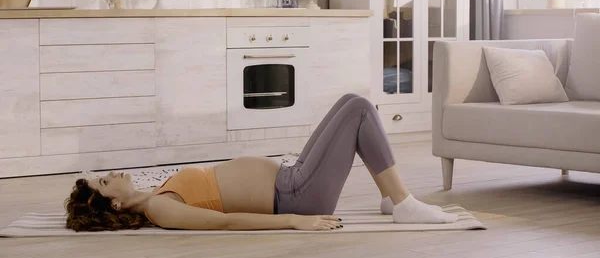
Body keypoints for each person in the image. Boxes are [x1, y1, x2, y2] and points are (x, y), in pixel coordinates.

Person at [65, 94, 457, 232]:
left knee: (351, 102)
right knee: (358, 108)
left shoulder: (154, 193)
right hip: (296, 196)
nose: (111, 174)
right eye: (104, 182)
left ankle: (391, 196)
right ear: (114, 205)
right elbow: (225, 222)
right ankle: (403, 204)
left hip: (292, 177)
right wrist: (293, 220)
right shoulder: (159, 208)